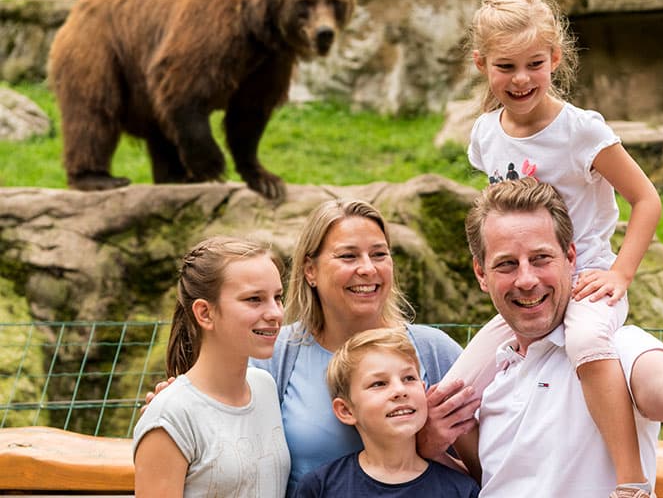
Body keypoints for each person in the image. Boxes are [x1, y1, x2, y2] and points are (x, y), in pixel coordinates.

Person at [444, 0, 663, 497]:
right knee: (451, 391)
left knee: (588, 343)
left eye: (533, 64)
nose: (521, 79)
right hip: (529, 289)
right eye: (506, 66)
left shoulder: (580, 131)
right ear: (481, 65)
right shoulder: (484, 133)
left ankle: (633, 483)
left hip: (583, 283)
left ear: (555, 60)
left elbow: (646, 199)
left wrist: (618, 274)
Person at [145, 199, 481, 496]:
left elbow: (493, 469)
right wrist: (179, 405)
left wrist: (429, 449)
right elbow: (219, 411)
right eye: (348, 256)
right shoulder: (275, 355)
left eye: (379, 254)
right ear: (310, 270)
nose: (367, 268)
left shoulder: (433, 350)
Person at [450, 177, 663, 498]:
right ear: (481, 274)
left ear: (571, 257)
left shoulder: (613, 348)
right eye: (507, 264)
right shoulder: (489, 382)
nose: (526, 279)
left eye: (541, 259)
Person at [133, 236, 291, 497]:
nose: (275, 313)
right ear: (205, 313)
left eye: (277, 297)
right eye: (254, 299)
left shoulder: (264, 387)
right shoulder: (169, 416)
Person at [291, 327, 480, 497]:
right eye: (379, 383)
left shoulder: (461, 490)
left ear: (423, 390)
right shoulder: (319, 488)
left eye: (408, 378)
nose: (400, 390)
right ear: (346, 410)